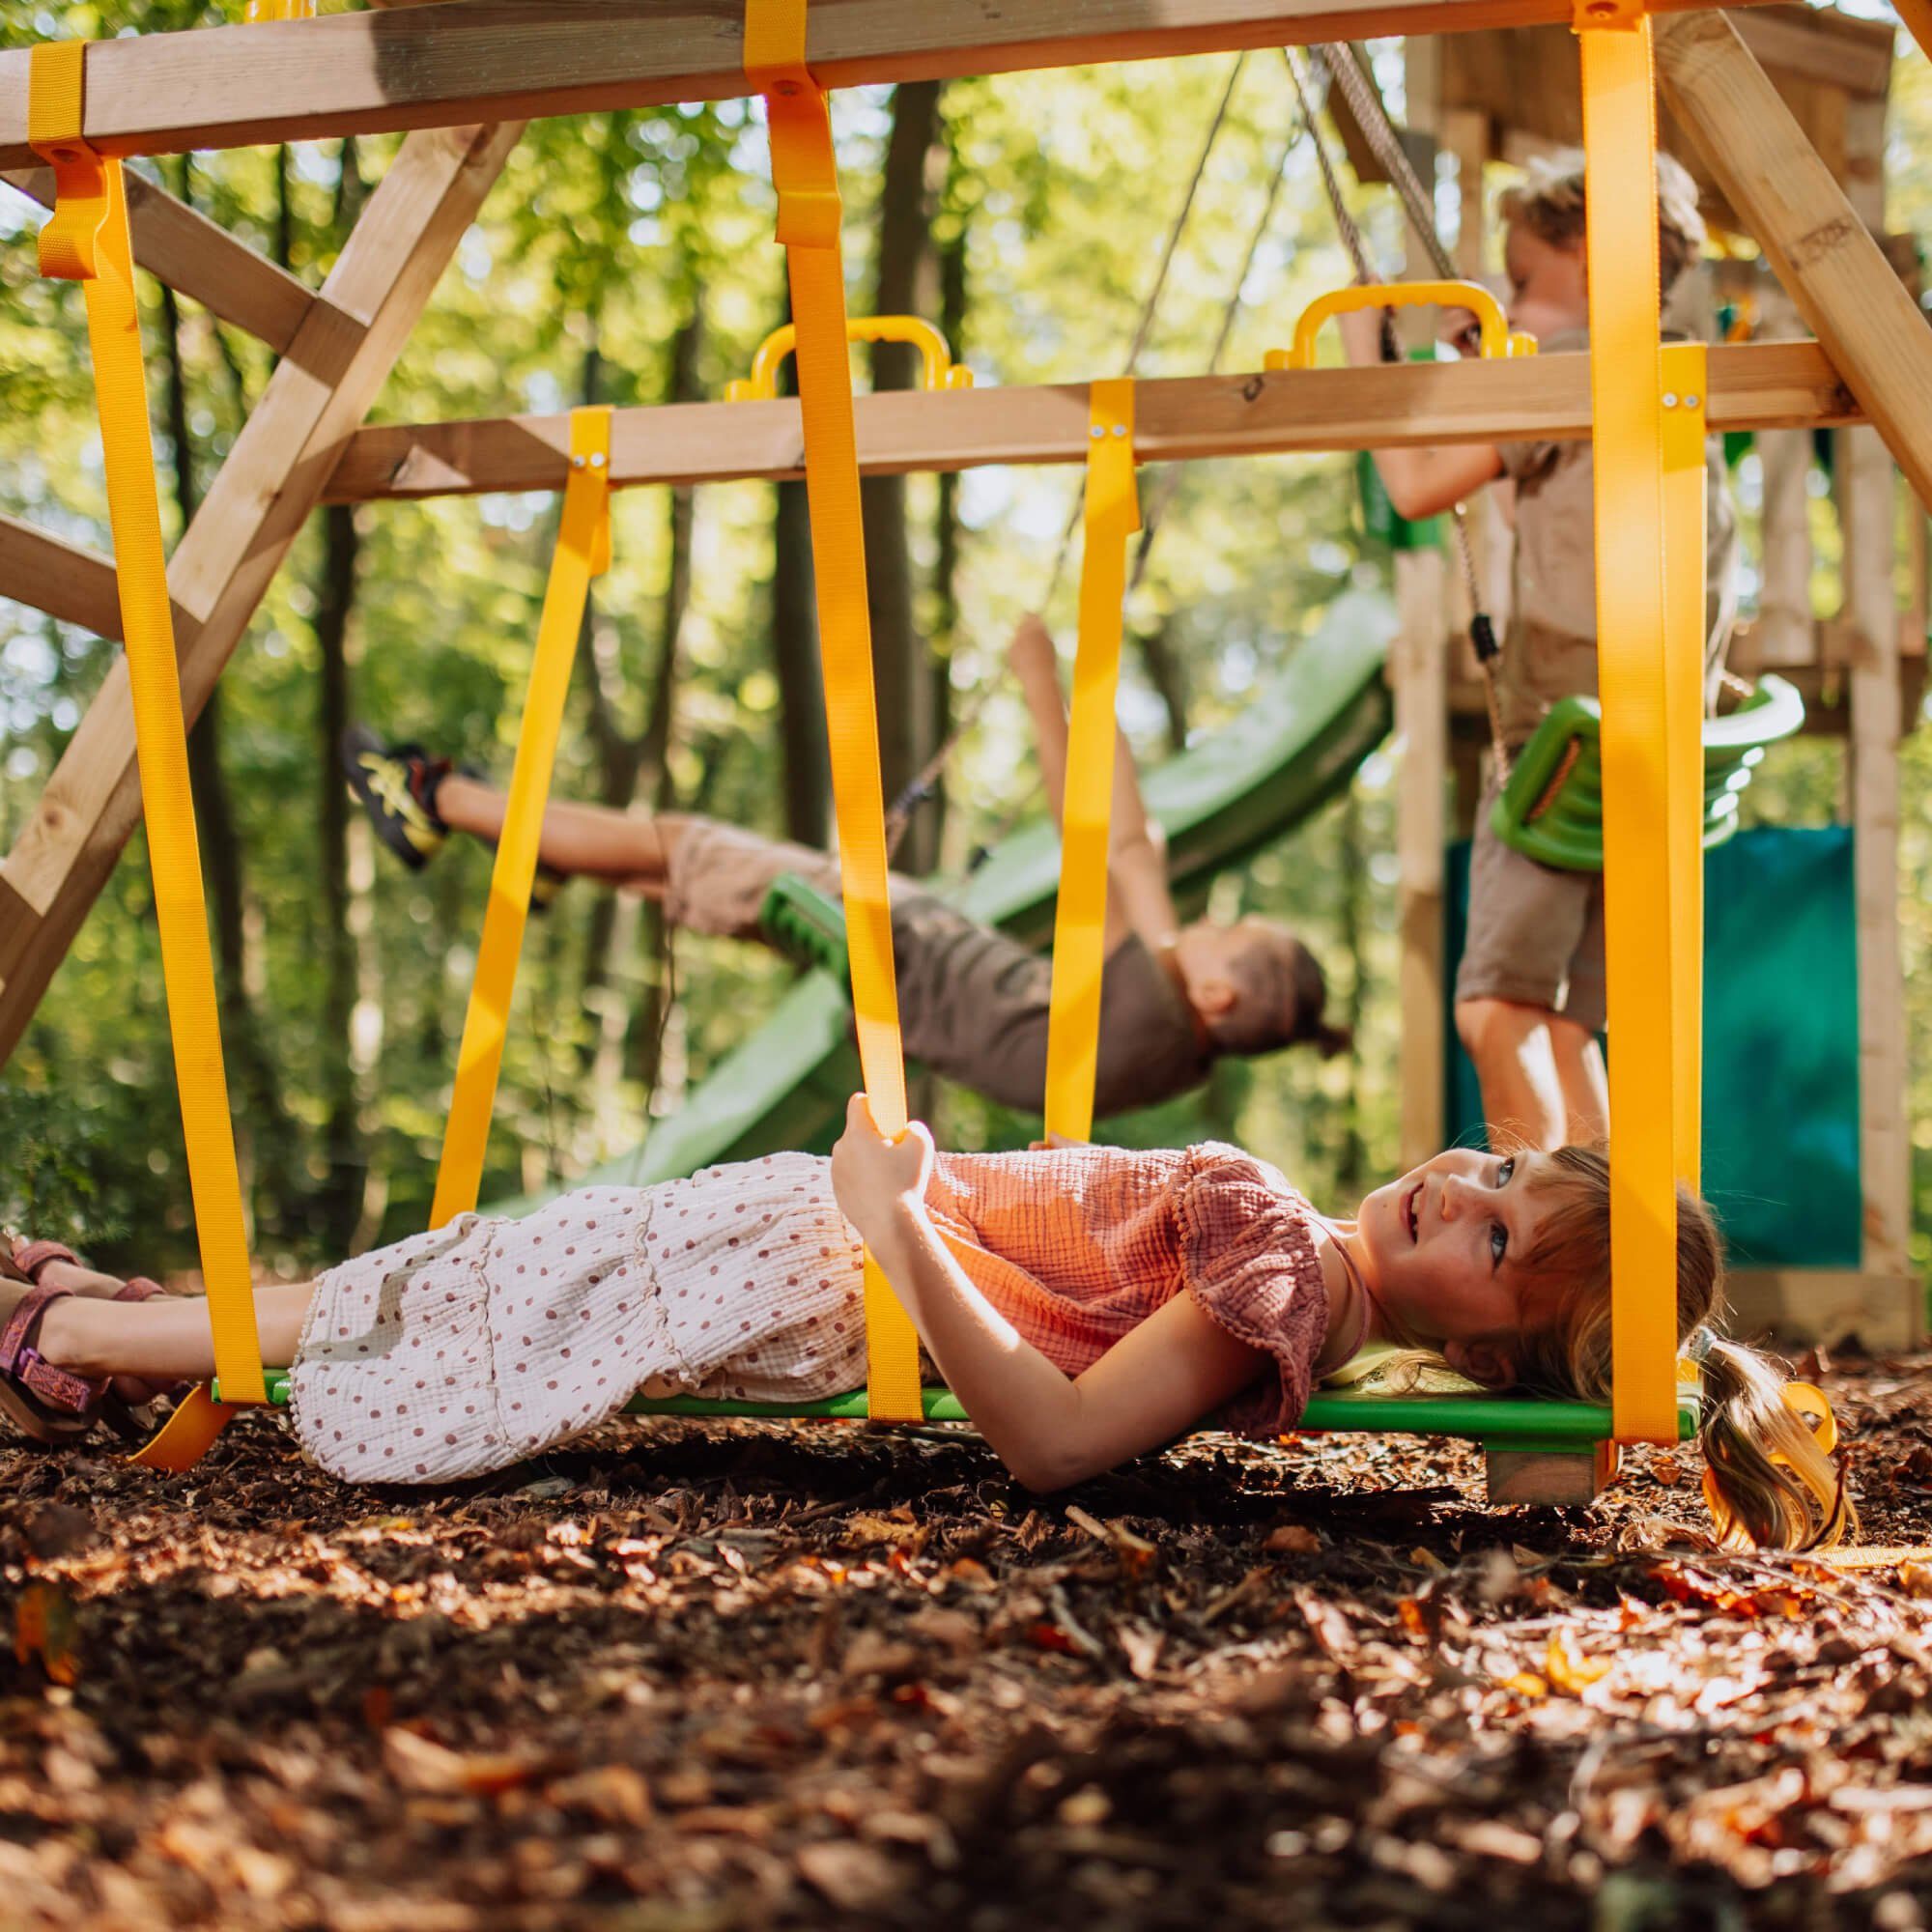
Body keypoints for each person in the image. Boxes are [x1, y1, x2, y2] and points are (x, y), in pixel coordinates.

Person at [2, 1101, 1848, 1550]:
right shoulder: (1313, 1287)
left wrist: (894, 1224)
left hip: (822, 1255)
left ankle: (73, 1335)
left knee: (469, 1298)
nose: (1465, 1184)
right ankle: (106, 1317)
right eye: (1505, 1164)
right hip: (814, 1241)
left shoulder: (1287, 1283)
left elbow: (1050, 1443)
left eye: (1505, 1235)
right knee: (463, 1283)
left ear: (1494, 1350)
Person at [339, 614, 1346, 1122]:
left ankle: (432, 797)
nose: (1197, 924)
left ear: (1217, 991)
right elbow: (1130, 849)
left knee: (685, 846)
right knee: (685, 873)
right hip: (910, 948)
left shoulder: (1158, 1002)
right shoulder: (1175, 1053)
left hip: (894, 943)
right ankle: (544, 849)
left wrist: (1046, 678)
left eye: (1220, 932)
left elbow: (1107, 838)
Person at [1341, 150, 1738, 1152]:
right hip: (1655, 743)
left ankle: (1533, 1239)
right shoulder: (1669, 383)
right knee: (1564, 1029)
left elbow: (1416, 488)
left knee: (1496, 1011)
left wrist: (1364, 360)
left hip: (1561, 741)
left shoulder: (1571, 368)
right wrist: (1493, 375)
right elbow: (1537, 514)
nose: (1509, 302)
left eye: (1519, 280)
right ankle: (1617, 1239)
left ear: (1594, 254)